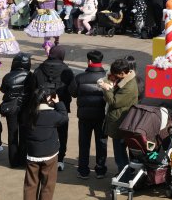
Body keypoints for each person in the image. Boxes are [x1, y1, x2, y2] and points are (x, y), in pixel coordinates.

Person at [29, 45, 73, 171]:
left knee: (43, 131)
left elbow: (33, 86)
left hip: (42, 105)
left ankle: (42, 156)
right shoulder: (67, 71)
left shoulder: (39, 69)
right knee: (62, 134)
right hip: (61, 105)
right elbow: (73, 88)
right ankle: (60, 159)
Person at [23, 87, 68, 200]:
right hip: (49, 154)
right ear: (48, 99)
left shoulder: (28, 114)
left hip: (32, 154)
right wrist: (59, 103)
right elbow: (64, 117)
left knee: (30, 185)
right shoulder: (52, 115)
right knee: (47, 185)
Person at [68, 50, 107, 180]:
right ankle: (100, 170)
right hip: (102, 116)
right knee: (101, 142)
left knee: (84, 143)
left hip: (84, 116)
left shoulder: (79, 77)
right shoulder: (109, 77)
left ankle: (83, 170)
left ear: (89, 61)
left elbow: (72, 93)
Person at [99, 58, 138, 174]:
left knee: (120, 153)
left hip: (121, 123)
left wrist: (107, 89)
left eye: (116, 74)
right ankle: (124, 173)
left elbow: (114, 102)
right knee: (120, 152)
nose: (114, 76)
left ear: (123, 73)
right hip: (120, 121)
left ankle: (124, 176)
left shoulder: (129, 87)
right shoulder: (125, 80)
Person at [0, 52, 32, 168]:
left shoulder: (8, 76)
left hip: (12, 108)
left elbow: (3, 90)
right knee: (24, 134)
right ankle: (23, 160)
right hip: (26, 108)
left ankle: (13, 161)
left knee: (12, 134)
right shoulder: (31, 76)